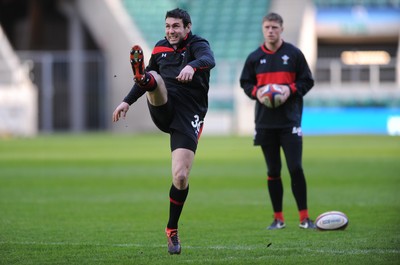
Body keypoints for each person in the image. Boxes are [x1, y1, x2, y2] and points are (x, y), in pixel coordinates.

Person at [112, 8, 215, 254]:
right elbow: (148, 79)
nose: (171, 31)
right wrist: (127, 101)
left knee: (180, 176)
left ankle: (171, 229)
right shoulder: (159, 48)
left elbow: (209, 60)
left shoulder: (198, 45)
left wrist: (192, 66)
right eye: (168, 26)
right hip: (163, 105)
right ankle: (142, 76)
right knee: (154, 77)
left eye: (176, 26)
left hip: (189, 114)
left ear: (187, 28)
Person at [239, 12, 315, 230]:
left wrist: (288, 89)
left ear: (281, 29)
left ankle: (304, 218)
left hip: (289, 121)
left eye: (274, 27)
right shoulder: (254, 58)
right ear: (263, 30)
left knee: (295, 168)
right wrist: (257, 92)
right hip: (264, 123)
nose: (270, 31)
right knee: (273, 171)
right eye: (267, 27)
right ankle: (278, 219)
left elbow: (307, 81)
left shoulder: (294, 54)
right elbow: (245, 83)